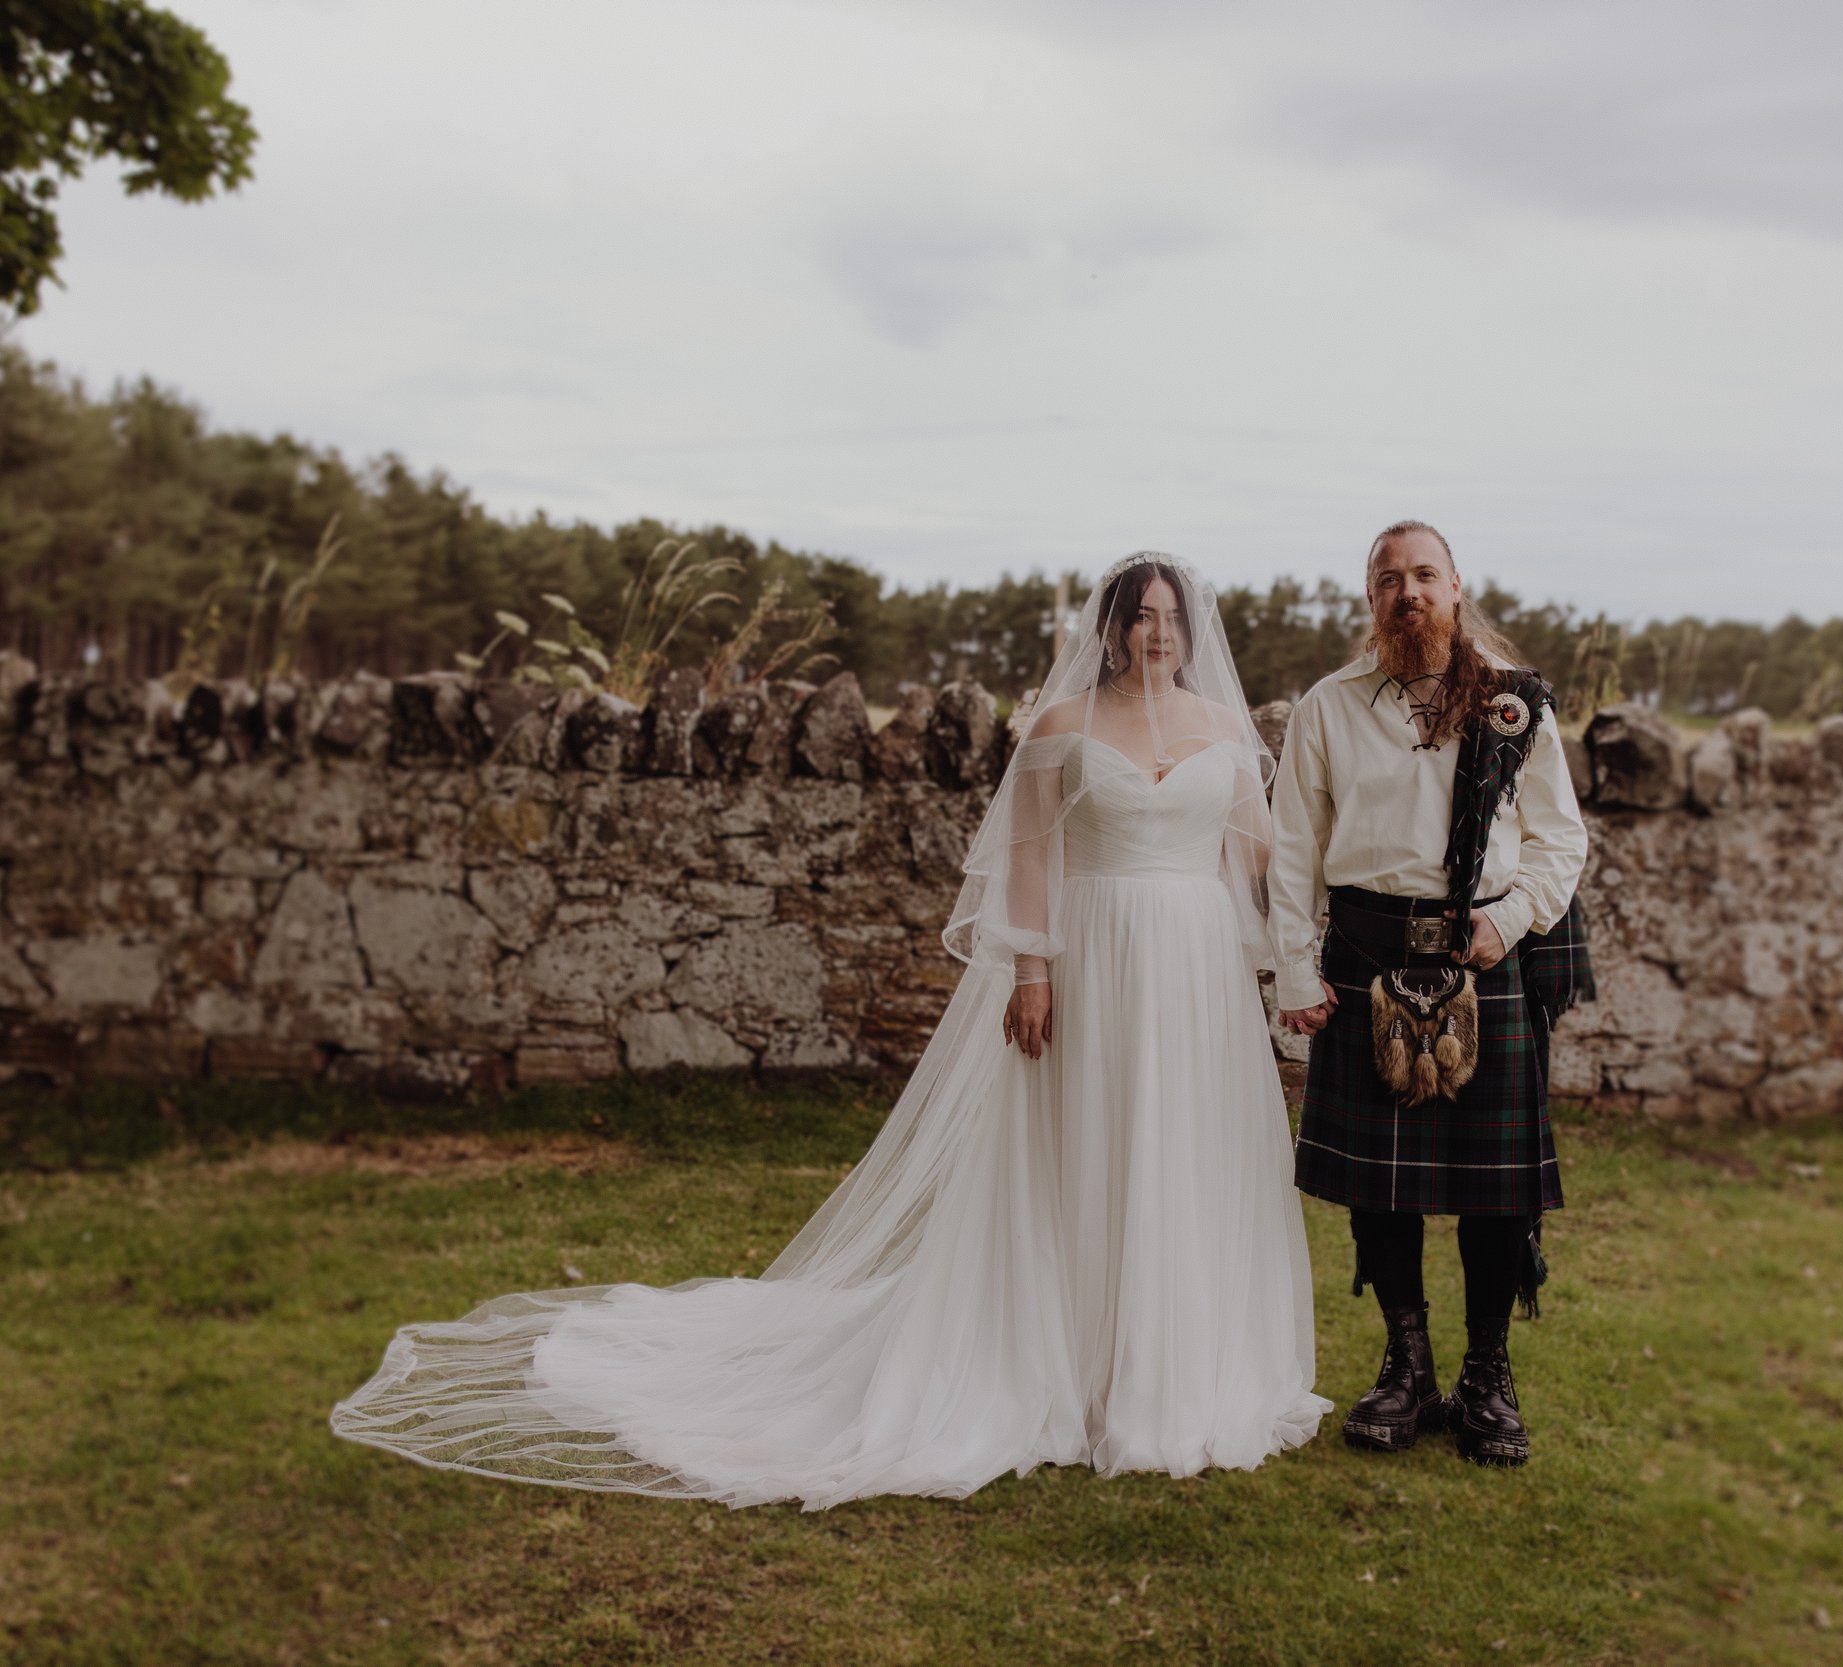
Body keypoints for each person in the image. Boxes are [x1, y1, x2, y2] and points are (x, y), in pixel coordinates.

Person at [331, 554, 1329, 1507]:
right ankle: (1070, 1360)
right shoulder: (1062, 723)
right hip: (1094, 959)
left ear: (1188, 630)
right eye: (1137, 614)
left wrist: (1303, 949)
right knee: (1089, 1151)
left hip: (1192, 976)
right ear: (1108, 627)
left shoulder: (1224, 729)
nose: (1154, 632)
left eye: (1169, 617)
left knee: (1184, 1156)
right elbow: (1029, 858)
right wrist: (1031, 967)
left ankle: (1177, 1367)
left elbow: (1259, 856)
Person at [1271, 520, 1590, 1467]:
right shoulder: (1327, 709)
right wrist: (1295, 967)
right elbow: (1293, 847)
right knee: (1386, 1186)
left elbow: (1558, 838)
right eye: (1386, 580)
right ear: (1368, 599)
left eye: (1423, 576)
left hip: (1482, 952)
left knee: (1493, 1199)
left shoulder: (1513, 705)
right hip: (1365, 953)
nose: (1406, 593)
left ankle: (1485, 1376)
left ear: (1457, 587)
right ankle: (1406, 1367)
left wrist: (1515, 916)